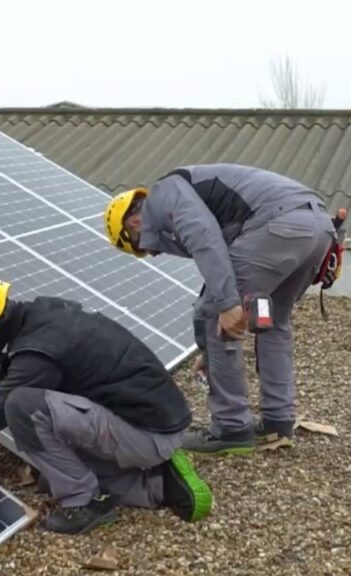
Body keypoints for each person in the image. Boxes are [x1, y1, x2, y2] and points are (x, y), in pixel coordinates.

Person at [0, 274, 212, 535]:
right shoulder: (43, 313)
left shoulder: (36, 355)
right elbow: (16, 364)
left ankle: (84, 502)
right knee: (51, 469)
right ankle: (159, 483)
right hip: (157, 419)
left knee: (23, 407)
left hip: (148, 436)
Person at [104, 164, 338, 455]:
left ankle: (231, 427)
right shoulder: (191, 192)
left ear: (134, 225)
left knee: (217, 313)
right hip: (318, 230)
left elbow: (205, 239)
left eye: (142, 248)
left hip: (277, 227)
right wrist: (209, 352)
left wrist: (226, 306)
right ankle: (278, 421)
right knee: (270, 320)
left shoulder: (165, 193)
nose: (153, 252)